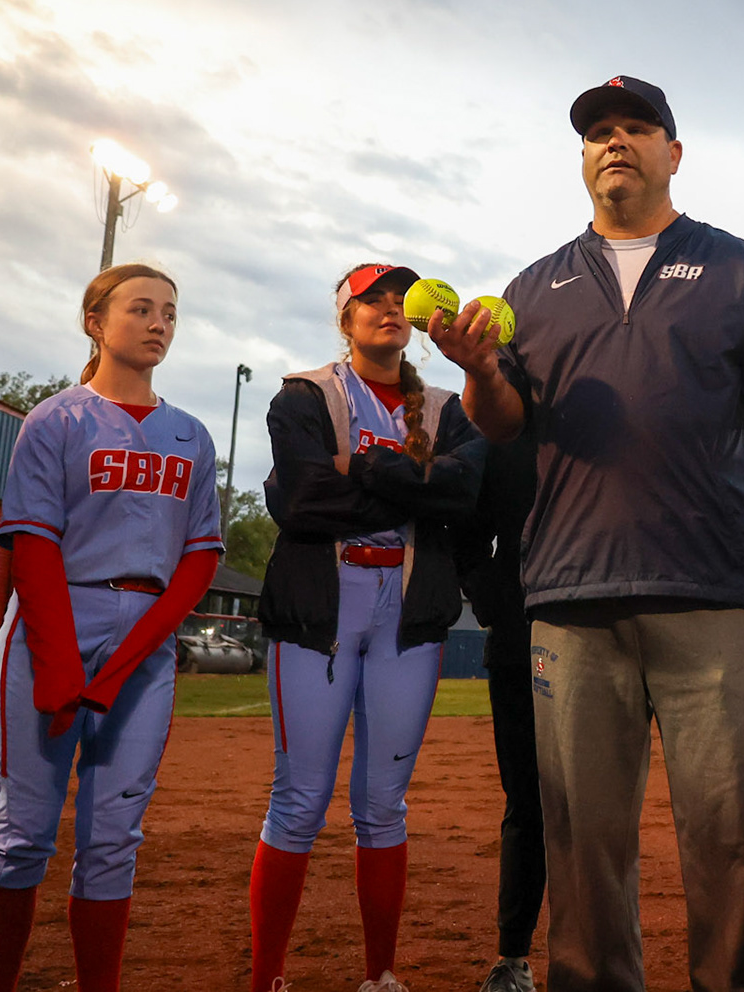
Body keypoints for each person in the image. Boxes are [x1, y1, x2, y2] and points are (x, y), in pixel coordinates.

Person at [429, 75, 744, 992]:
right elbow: (504, 419)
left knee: (729, 839)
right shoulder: (535, 284)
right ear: (583, 158)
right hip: (570, 593)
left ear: (675, 152)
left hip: (711, 587)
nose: (615, 142)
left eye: (636, 126)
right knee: (582, 846)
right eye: (598, 132)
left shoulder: (735, 264)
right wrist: (477, 369)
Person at [0, 263, 223, 992]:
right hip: (53, 624)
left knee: (113, 841)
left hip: (143, 639)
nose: (158, 324)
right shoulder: (56, 419)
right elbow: (32, 545)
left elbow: (200, 559)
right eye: (140, 309)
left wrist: (120, 667)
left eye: (170, 314)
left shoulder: (191, 436)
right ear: (95, 322)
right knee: (22, 836)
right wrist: (58, 662)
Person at [248, 262, 486, 992]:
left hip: (405, 614)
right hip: (323, 604)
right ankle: (267, 979)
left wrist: (367, 467)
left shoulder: (450, 406)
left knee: (383, 805)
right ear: (344, 318)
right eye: (369, 300)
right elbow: (304, 504)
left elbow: (467, 492)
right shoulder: (305, 395)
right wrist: (418, 488)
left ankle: (380, 975)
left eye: (397, 299)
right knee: (299, 800)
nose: (387, 309)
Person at [452, 432, 545, 992]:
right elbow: (466, 526)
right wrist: (491, 599)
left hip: (601, 625)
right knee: (526, 801)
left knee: (597, 806)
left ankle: (597, 951)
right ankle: (513, 957)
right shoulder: (504, 433)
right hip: (518, 632)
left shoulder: (602, 422)